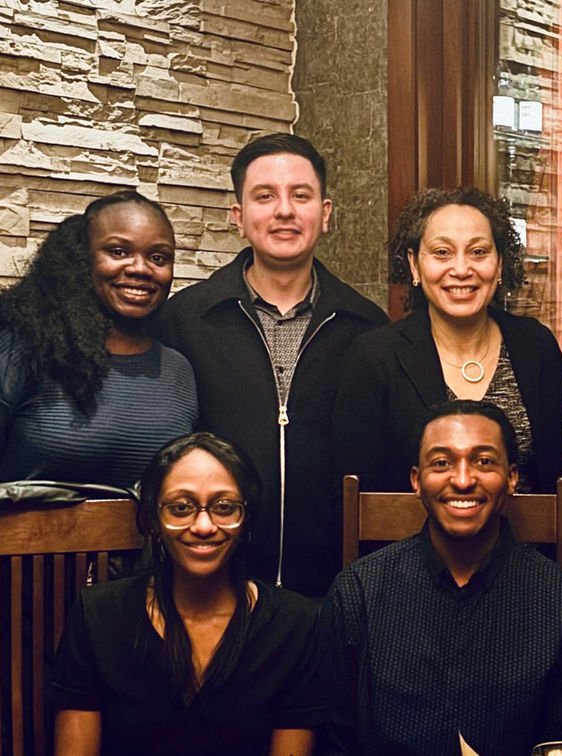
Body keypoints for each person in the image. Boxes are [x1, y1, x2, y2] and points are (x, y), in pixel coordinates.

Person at [153, 133, 387, 596]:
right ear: (238, 217)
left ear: (325, 213)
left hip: (335, 592)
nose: (284, 210)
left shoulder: (368, 328)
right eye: (265, 196)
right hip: (212, 590)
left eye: (300, 195)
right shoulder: (185, 320)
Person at [321, 400, 562, 756]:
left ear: (511, 478)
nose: (463, 480)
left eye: (484, 461)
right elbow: (336, 741)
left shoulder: (561, 598)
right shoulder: (359, 592)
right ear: (416, 481)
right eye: (441, 463)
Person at [51, 432, 328, 756]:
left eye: (224, 507)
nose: (203, 526)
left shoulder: (293, 625)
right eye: (181, 507)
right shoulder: (99, 616)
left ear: (246, 517)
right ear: (154, 517)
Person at [0, 190, 197, 488]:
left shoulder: (178, 372)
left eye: (158, 258)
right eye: (118, 252)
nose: (140, 268)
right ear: (82, 259)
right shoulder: (11, 358)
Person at [332, 187, 562, 494]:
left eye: (478, 252)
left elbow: (558, 475)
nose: (461, 269)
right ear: (415, 265)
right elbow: (353, 494)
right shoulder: (375, 357)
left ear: (499, 264)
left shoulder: (536, 347)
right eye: (442, 252)